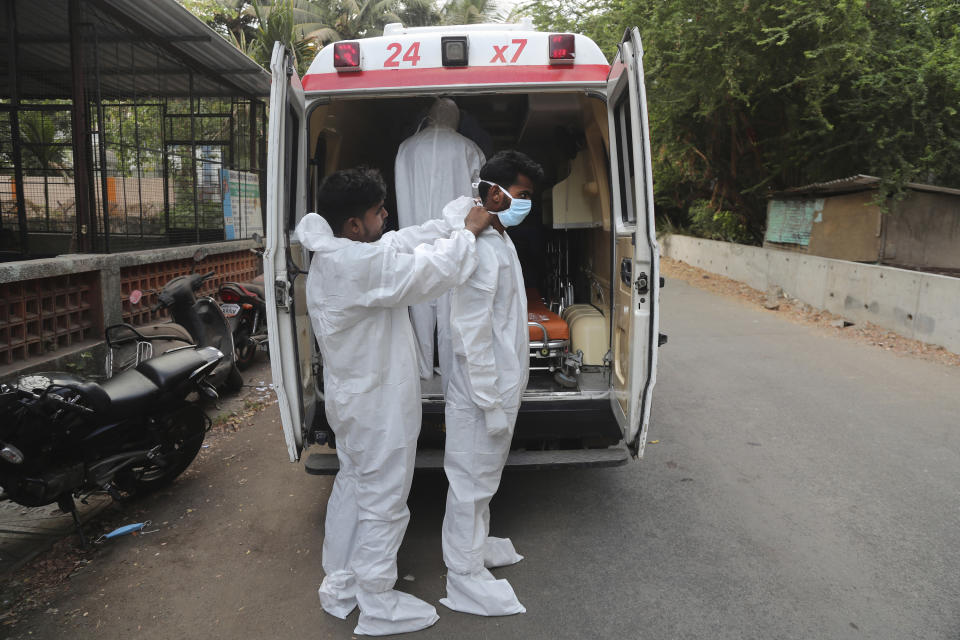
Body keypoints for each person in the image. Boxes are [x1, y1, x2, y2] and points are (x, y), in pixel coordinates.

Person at [295, 167, 493, 636]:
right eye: (378, 210)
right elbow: (428, 273)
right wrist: (465, 234)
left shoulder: (340, 252)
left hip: (356, 401)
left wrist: (445, 225)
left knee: (355, 486)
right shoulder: (354, 266)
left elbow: (399, 244)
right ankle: (377, 600)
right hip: (377, 408)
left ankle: (342, 582)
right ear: (353, 225)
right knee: (384, 499)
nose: (386, 215)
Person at [437, 151, 544, 616]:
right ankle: (463, 575)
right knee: (469, 482)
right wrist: (489, 401)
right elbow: (470, 334)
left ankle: (474, 548)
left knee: (484, 478)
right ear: (495, 191)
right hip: (481, 394)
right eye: (521, 196)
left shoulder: (497, 235)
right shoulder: (479, 247)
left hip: (498, 386)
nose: (526, 206)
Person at [395, 98, 486, 380]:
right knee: (451, 308)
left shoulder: (406, 148)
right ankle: (451, 372)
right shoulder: (469, 148)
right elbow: (479, 195)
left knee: (419, 305)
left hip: (413, 240)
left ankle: (423, 368)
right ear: (455, 118)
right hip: (453, 240)